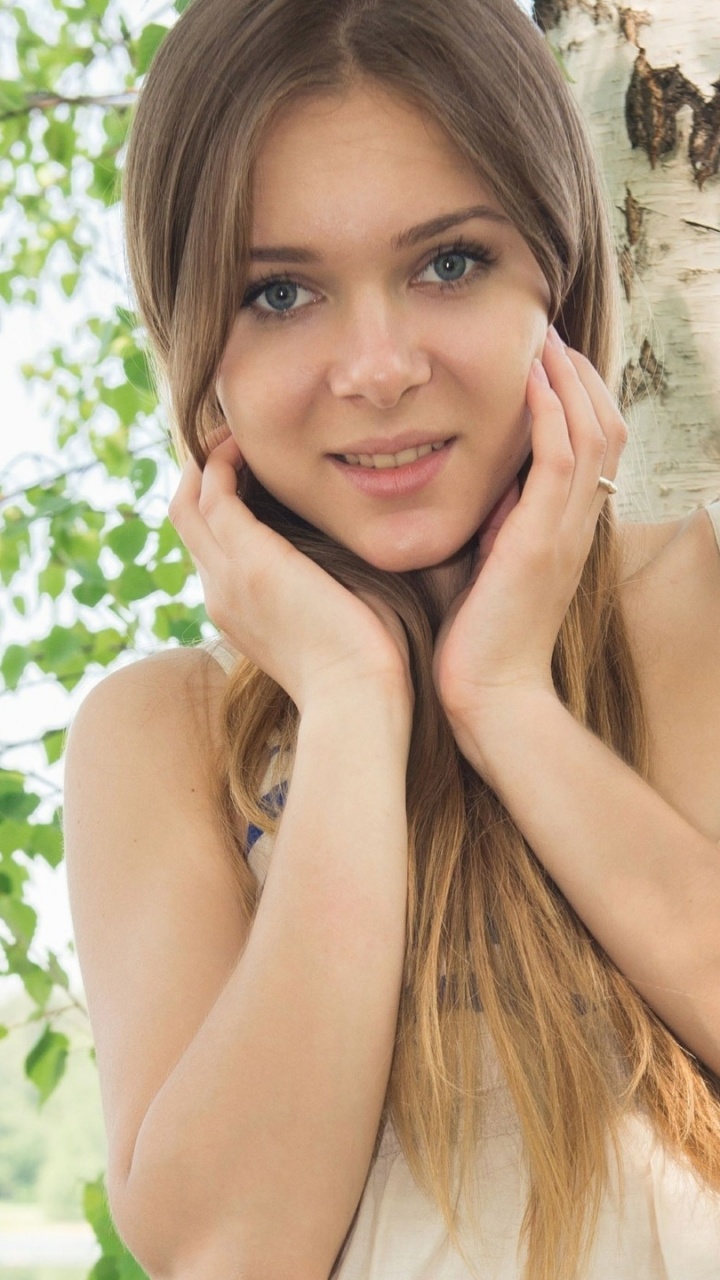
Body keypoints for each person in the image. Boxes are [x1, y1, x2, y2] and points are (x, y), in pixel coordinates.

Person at [62, 0, 720, 1277]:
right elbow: (229, 1247)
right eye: (281, 291)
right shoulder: (162, 738)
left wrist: (507, 700)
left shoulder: (690, 602)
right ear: (198, 347)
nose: (376, 365)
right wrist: (354, 700)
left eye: (450, 262)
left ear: (561, 279)